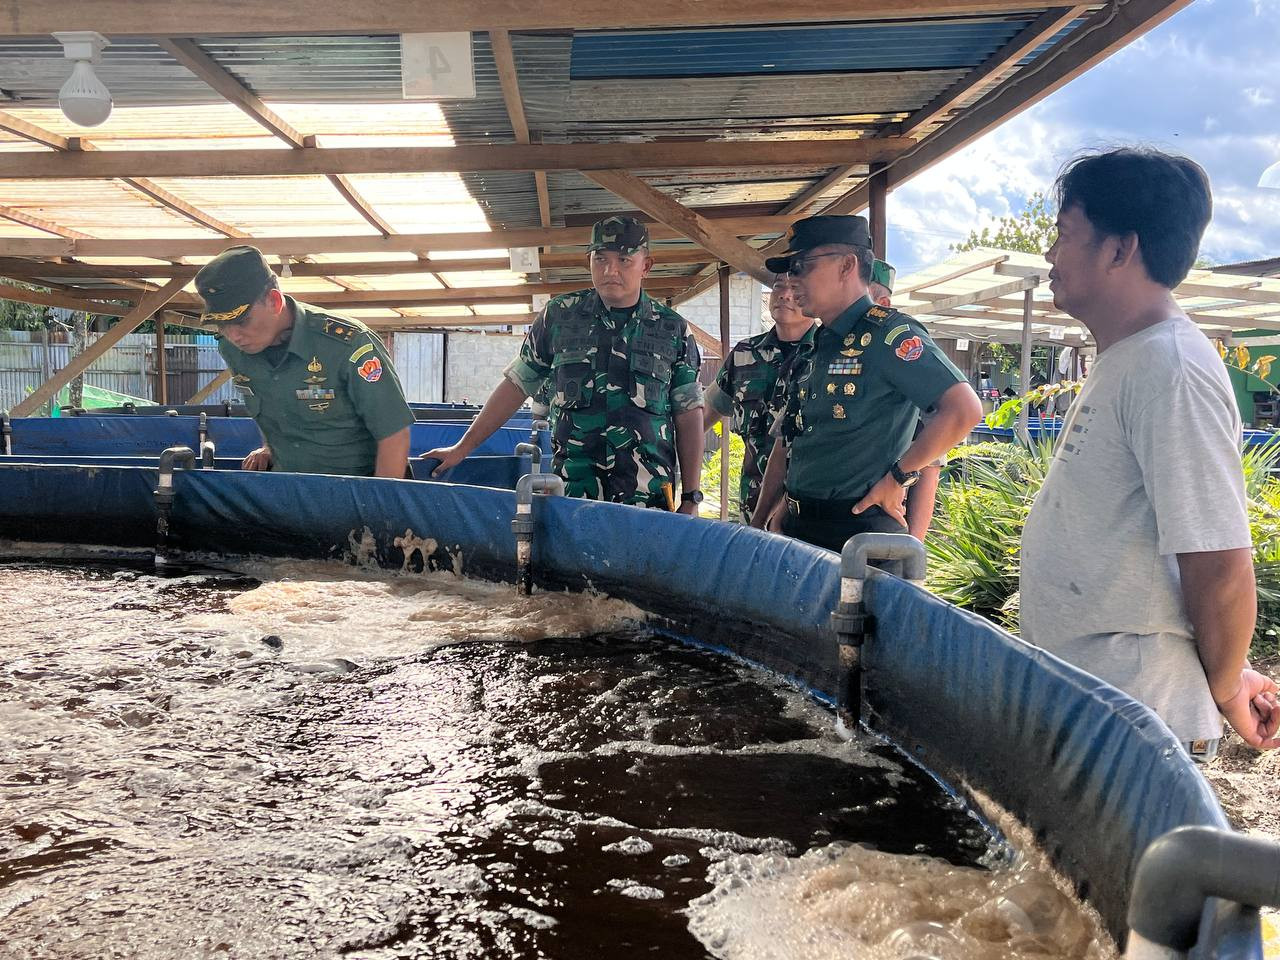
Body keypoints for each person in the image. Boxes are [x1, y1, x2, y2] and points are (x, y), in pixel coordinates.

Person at [1020, 147, 1280, 756]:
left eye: (1063, 234)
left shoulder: (1172, 367)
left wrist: (1223, 688)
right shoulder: (1130, 358)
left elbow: (1218, 562)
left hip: (1135, 720)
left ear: (1118, 249)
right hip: (1095, 700)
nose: (1050, 254)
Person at [424, 216, 705, 513]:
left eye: (624, 259)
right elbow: (516, 385)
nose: (611, 270)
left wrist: (691, 497)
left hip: (648, 500)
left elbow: (688, 414)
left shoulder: (672, 329)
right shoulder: (559, 317)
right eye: (601, 259)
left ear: (646, 266)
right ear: (589, 262)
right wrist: (462, 448)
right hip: (571, 493)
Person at [749, 215, 982, 551]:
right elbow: (792, 443)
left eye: (802, 266)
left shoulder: (887, 335)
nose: (791, 280)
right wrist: (767, 518)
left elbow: (963, 410)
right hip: (800, 528)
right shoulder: (817, 345)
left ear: (846, 266)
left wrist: (899, 477)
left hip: (859, 534)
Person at [195, 245, 413, 478]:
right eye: (222, 325)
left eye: (242, 321)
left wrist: (378, 506)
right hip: (290, 490)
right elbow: (270, 403)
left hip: (357, 489)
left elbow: (393, 435)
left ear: (274, 301)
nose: (234, 335)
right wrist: (270, 448)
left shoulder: (349, 345)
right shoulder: (232, 349)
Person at [703, 274, 816, 521]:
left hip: (806, 512)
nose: (785, 294)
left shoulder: (827, 356)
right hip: (752, 506)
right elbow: (704, 415)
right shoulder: (745, 355)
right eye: (778, 285)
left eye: (795, 287)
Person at [870, 258, 945, 542]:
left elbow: (930, 466)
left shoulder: (903, 356)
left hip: (882, 528)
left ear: (884, 303)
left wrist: (914, 544)